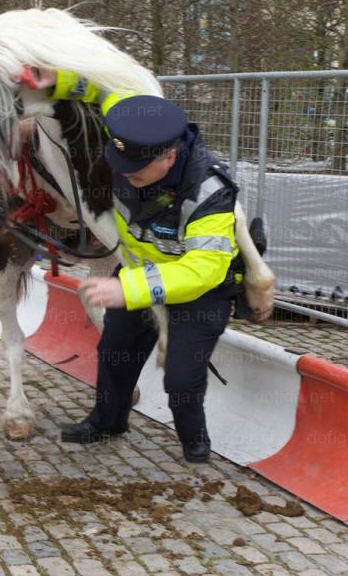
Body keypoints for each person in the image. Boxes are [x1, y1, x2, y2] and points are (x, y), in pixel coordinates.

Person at [54, 93, 243, 464]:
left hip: (200, 294)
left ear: (168, 157)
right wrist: (55, 80)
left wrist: (127, 288)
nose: (125, 176)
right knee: (114, 353)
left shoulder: (209, 190)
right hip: (138, 278)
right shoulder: (130, 155)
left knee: (181, 379)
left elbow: (204, 270)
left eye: (135, 172)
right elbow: (106, 85)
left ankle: (194, 440)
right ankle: (109, 421)